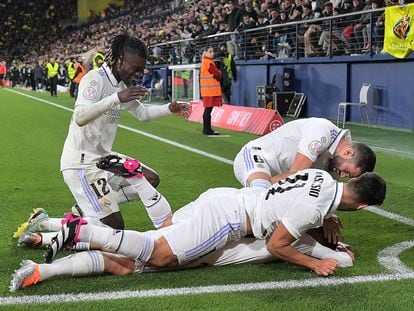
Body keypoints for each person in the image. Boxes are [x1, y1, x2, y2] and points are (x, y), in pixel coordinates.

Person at [12, 167, 377, 291]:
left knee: (131, 261)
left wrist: (324, 222)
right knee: (161, 257)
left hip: (232, 205)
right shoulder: (314, 209)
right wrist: (320, 262)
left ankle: (46, 241)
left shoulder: (320, 177)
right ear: (360, 206)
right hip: (231, 221)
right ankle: (84, 230)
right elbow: (281, 245)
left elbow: (283, 187)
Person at [58, 30, 189, 232]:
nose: (138, 74)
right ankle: (49, 226)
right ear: (120, 61)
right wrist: (118, 98)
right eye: (135, 68)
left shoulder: (119, 85)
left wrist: (169, 109)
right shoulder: (95, 79)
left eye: (141, 70)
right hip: (81, 164)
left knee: (151, 179)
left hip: (104, 159)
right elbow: (80, 117)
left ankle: (91, 207)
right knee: (115, 228)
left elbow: (143, 114)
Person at [233, 117, 376, 189]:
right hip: (257, 156)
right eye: (347, 171)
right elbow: (294, 178)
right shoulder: (321, 132)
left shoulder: (335, 165)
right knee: (260, 191)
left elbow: (316, 196)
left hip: (278, 175)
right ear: (349, 152)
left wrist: (325, 218)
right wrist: (270, 186)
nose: (343, 175)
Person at [200, 46, 222, 135]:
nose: (212, 53)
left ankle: (207, 129)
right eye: (210, 51)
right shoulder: (208, 62)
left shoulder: (205, 62)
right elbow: (218, 74)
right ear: (205, 53)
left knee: (207, 110)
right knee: (208, 111)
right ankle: (207, 130)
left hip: (207, 91)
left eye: (213, 51)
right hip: (210, 91)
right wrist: (220, 73)